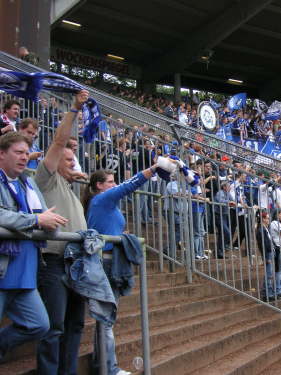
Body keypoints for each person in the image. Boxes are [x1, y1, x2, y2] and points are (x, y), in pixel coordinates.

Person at [82, 159, 167, 375]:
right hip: (105, 262)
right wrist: (154, 168)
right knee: (106, 318)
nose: (114, 184)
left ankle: (102, 364)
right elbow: (130, 185)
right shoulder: (101, 199)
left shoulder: (105, 203)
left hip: (111, 261)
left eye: (114, 181)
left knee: (106, 317)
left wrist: (121, 236)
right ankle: (109, 369)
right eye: (110, 181)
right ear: (99, 185)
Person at [34, 90, 90, 375]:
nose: (73, 164)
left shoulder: (70, 186)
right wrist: (75, 109)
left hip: (77, 264)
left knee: (75, 324)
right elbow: (58, 142)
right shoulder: (44, 179)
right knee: (54, 327)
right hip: (54, 264)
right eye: (68, 160)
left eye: (74, 160)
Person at [0, 132, 67, 361]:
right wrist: (35, 221)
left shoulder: (28, 184)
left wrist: (50, 224)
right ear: (1, 154)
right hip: (2, 269)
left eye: (26, 153)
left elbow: (45, 214)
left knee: (39, 325)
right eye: (18, 152)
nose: (24, 157)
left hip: (25, 273)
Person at [255, 211, 275, 301]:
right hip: (267, 254)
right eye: (267, 218)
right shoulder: (261, 230)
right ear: (263, 219)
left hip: (270, 252)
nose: (268, 220)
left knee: (269, 273)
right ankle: (267, 294)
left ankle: (267, 292)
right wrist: (266, 258)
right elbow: (263, 245)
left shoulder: (265, 229)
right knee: (268, 274)